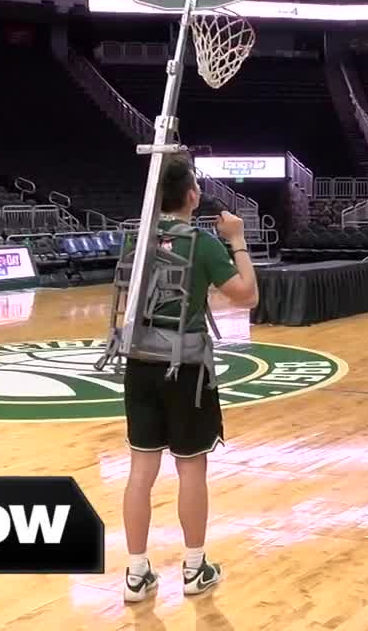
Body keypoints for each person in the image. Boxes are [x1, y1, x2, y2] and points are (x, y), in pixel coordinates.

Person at [121, 158, 258, 603]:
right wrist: (236, 239)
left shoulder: (135, 240)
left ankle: (136, 572)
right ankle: (195, 567)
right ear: (193, 196)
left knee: (141, 470)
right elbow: (247, 296)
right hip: (185, 367)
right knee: (191, 466)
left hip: (139, 360)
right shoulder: (203, 243)